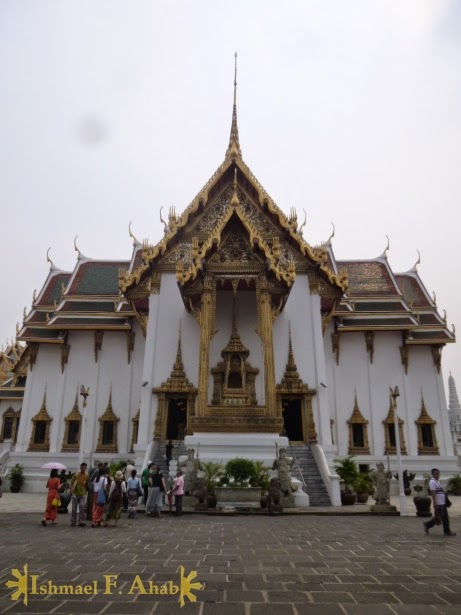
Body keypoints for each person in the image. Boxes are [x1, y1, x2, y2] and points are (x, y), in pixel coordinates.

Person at [423, 468, 456, 537]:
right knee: (440, 517)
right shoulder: (432, 482)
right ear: (432, 474)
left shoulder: (437, 481)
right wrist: (435, 503)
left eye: (438, 473)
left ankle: (447, 531)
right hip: (439, 503)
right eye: (435, 474)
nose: (437, 475)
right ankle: (428, 524)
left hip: (442, 502)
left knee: (444, 517)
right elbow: (433, 493)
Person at [70, 463, 89, 527]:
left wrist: (87, 491)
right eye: (82, 468)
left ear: (86, 468)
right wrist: (71, 491)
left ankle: (81, 521)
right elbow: (72, 483)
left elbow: (87, 485)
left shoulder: (86, 476)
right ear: (80, 468)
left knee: (82, 507)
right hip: (75, 494)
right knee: (74, 509)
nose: (83, 469)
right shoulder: (76, 475)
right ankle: (73, 521)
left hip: (82, 494)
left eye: (84, 468)